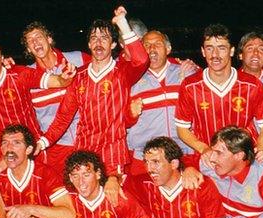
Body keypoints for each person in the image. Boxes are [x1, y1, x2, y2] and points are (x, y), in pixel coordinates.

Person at [40, 6, 149, 203]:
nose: (99, 42)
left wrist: (122, 23)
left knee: (114, 205)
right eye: (94, 38)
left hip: (113, 154)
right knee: (84, 206)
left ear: (114, 44)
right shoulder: (78, 76)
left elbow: (141, 59)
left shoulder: (122, 72)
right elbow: (64, 117)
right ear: (89, 44)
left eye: (104, 38)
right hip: (84, 152)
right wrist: (43, 142)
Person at [175, 24, 263, 165]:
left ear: (232, 51)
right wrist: (203, 149)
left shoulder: (253, 85)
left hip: (242, 161)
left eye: (221, 48)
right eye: (209, 48)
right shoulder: (190, 86)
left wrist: (260, 151)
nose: (215, 54)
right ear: (203, 51)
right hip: (208, 161)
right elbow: (182, 128)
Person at [0, 35, 74, 140]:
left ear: (2, 58)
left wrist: (64, 78)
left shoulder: (20, 74)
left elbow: (58, 81)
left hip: (31, 146)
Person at [22, 21, 90, 175]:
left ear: (49, 39)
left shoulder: (79, 59)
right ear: (28, 48)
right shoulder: (27, 75)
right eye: (30, 41)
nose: (35, 42)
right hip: (55, 147)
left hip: (88, 139)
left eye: (39, 37)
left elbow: (108, 73)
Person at [126, 30, 197, 175]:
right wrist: (130, 114)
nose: (152, 49)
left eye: (157, 44)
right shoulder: (131, 80)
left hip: (183, 154)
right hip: (144, 158)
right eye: (147, 45)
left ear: (168, 49)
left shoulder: (188, 73)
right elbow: (120, 122)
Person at [237, 31, 263, 158]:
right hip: (239, 154)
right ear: (240, 55)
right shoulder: (229, 83)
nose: (256, 53)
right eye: (250, 48)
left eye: (261, 49)